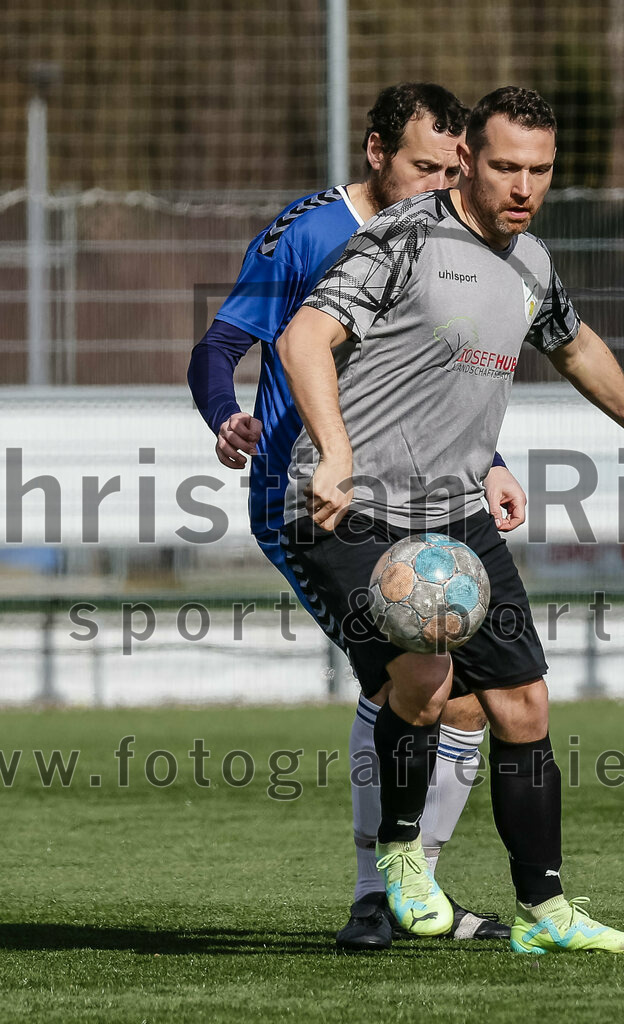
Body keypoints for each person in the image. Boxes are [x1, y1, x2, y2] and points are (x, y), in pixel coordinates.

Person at [277, 86, 624, 953]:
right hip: (351, 508)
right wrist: (333, 451)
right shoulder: (402, 240)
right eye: (506, 166)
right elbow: (302, 339)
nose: (522, 186)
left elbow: (574, 343)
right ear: (466, 158)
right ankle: (400, 856)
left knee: (521, 705)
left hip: (453, 516)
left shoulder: (530, 262)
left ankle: (544, 912)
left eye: (539, 171)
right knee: (426, 680)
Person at [187, 83, 520, 950]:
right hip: (312, 499)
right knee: (407, 678)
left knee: (469, 704)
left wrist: (488, 462)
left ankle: (418, 896)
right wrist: (225, 413)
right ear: (376, 153)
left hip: (416, 498)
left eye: (451, 169)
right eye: (422, 167)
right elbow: (221, 343)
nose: (438, 184)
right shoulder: (308, 232)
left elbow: (432, 384)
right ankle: (377, 898)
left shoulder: (449, 239)